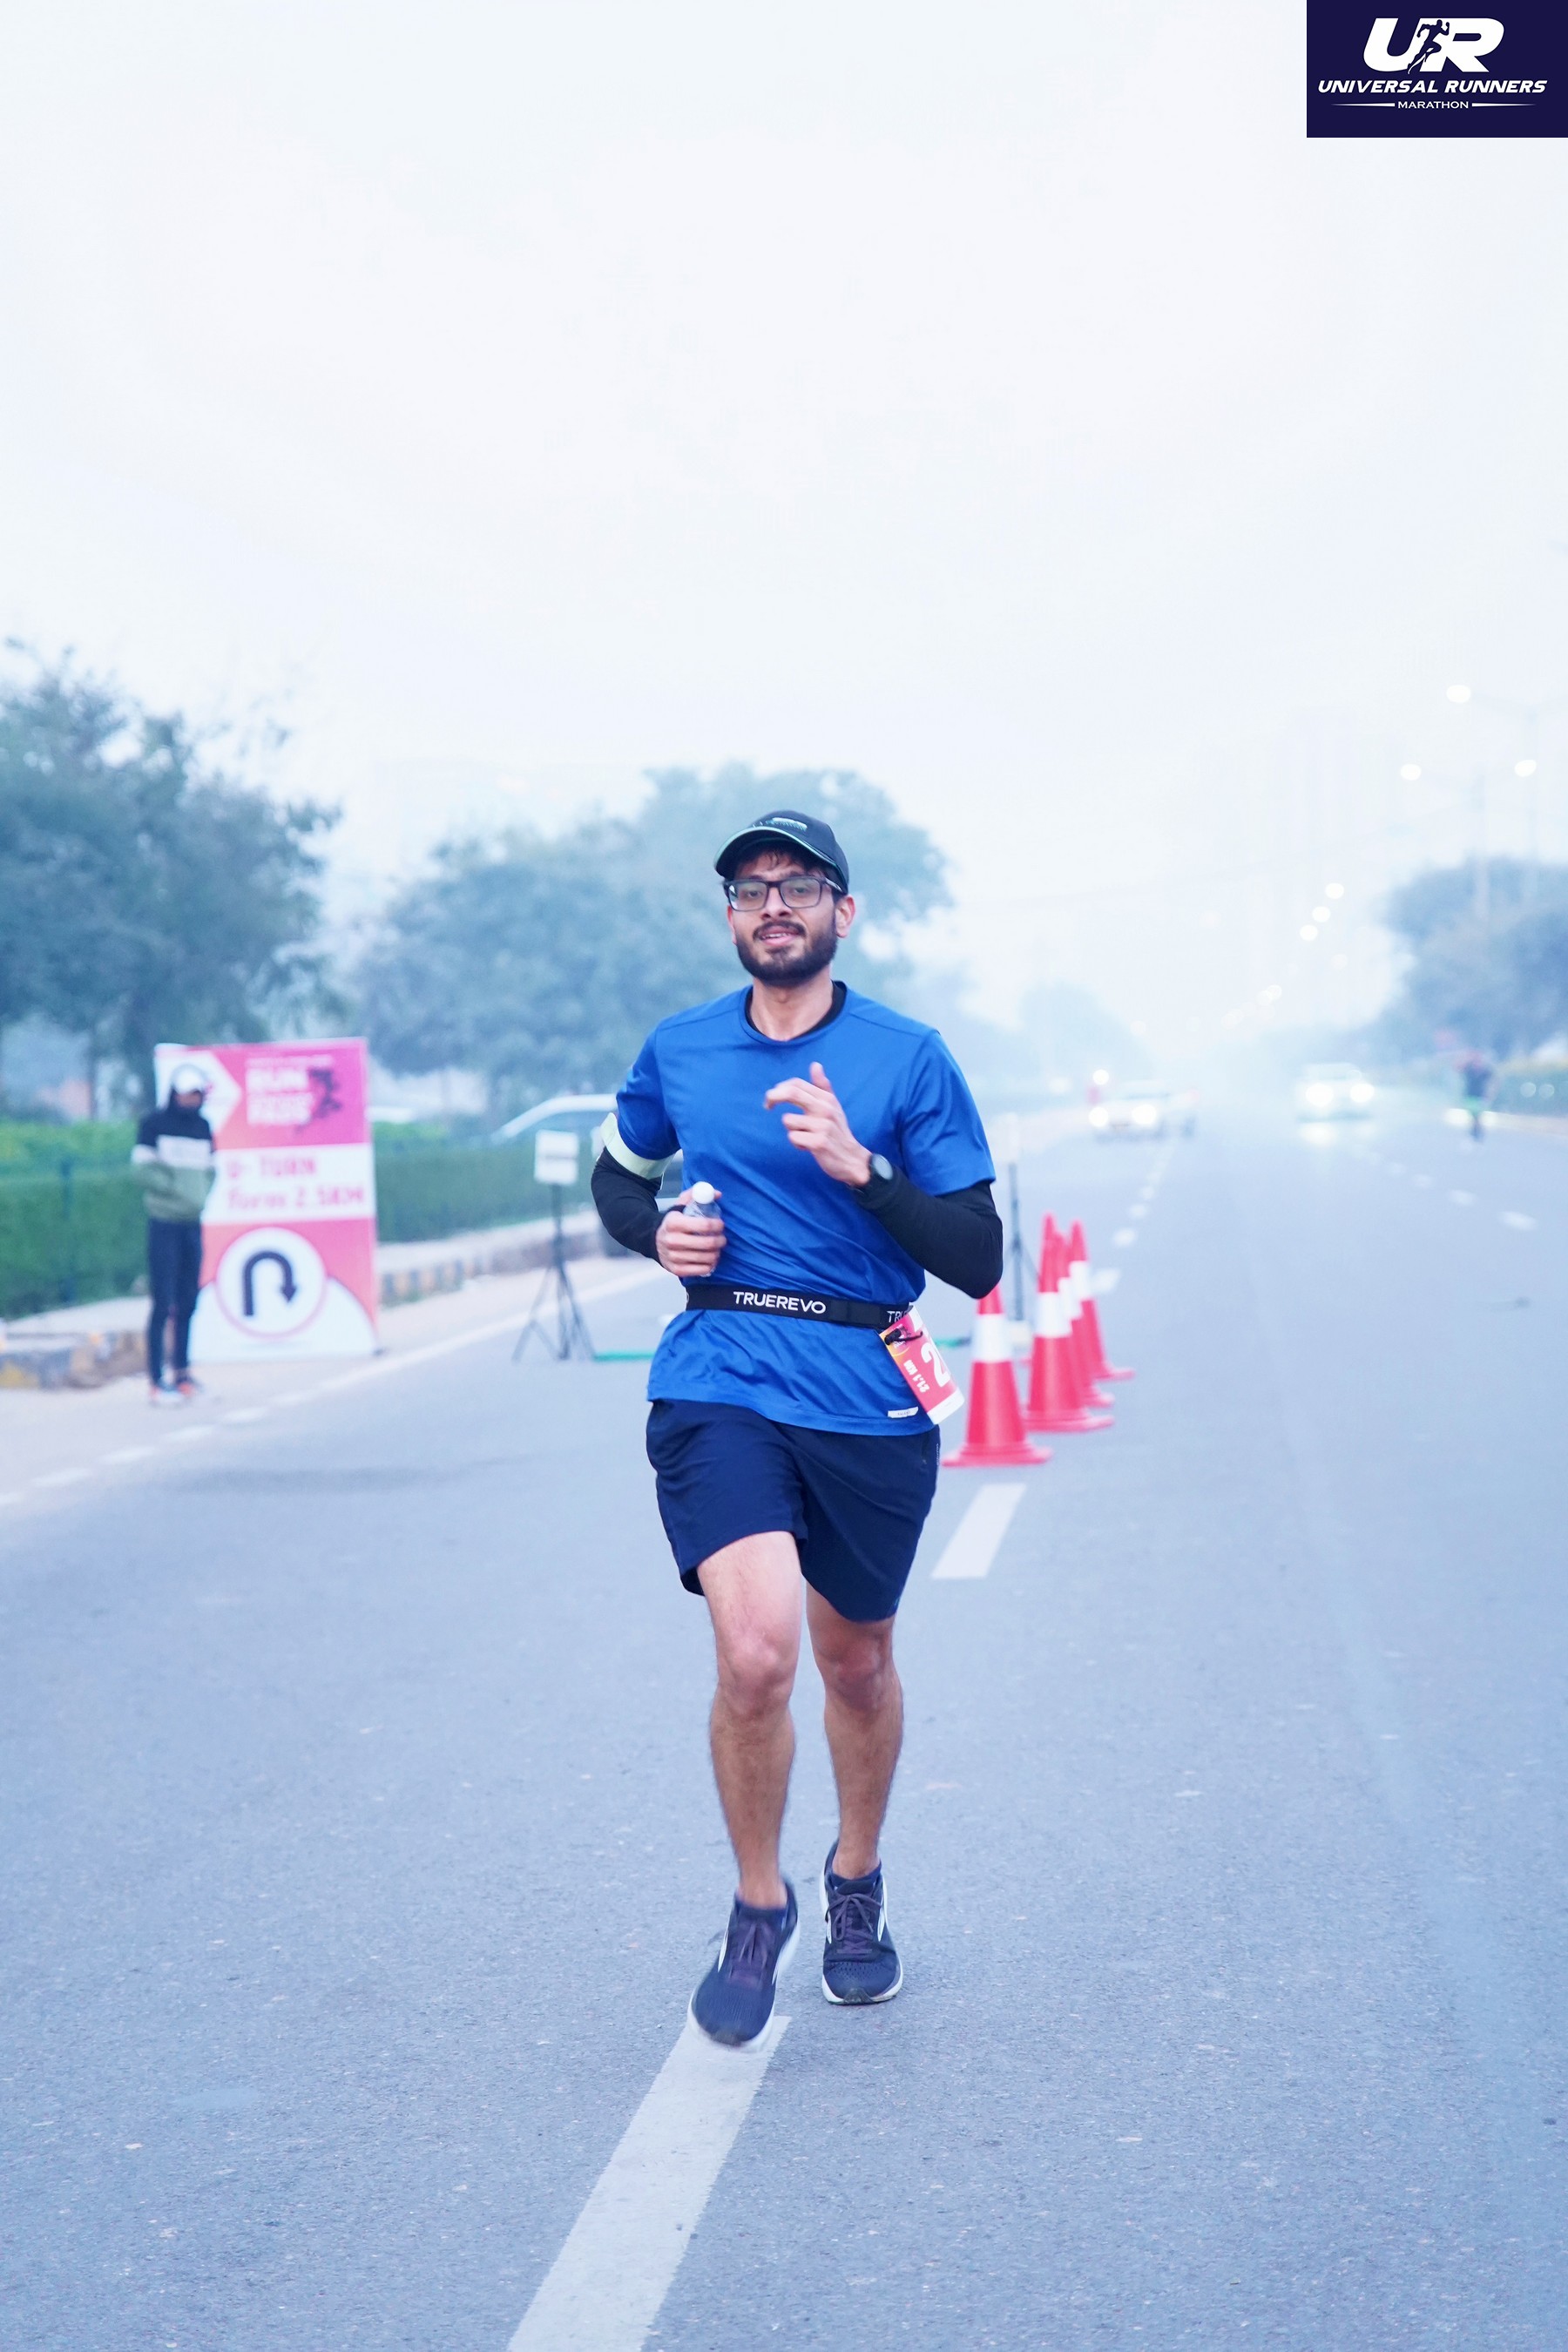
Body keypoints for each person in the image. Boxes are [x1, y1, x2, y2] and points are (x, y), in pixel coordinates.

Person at [592, 808, 1003, 2046]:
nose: (772, 906)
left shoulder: (908, 1058)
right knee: (758, 1654)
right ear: (730, 917)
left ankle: (855, 1881)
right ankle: (758, 1902)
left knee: (854, 1665)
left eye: (798, 886)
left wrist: (863, 1170)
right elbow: (618, 1177)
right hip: (719, 1371)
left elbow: (978, 1258)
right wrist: (655, 1234)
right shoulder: (681, 1049)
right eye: (749, 889)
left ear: (843, 912)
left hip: (867, 1389)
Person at [130, 1063, 216, 1404]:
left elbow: (211, 1171)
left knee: (188, 1300)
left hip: (192, 1223)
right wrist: (175, 1190)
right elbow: (141, 1170)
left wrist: (198, 1197)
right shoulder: (154, 1124)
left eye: (196, 1094)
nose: (190, 1100)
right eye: (185, 1094)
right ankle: (156, 1380)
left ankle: (182, 1374)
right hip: (164, 1222)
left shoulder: (203, 1127)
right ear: (174, 1093)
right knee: (162, 1301)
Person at [1459, 1048, 1494, 1142]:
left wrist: (1490, 1094)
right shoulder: (1468, 1069)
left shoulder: (1485, 1071)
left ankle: (1476, 1132)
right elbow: (1458, 1068)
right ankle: (1476, 1131)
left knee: (1478, 1115)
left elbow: (1493, 1081)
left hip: (1480, 1096)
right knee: (1472, 1115)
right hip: (1469, 1096)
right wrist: (1466, 1059)